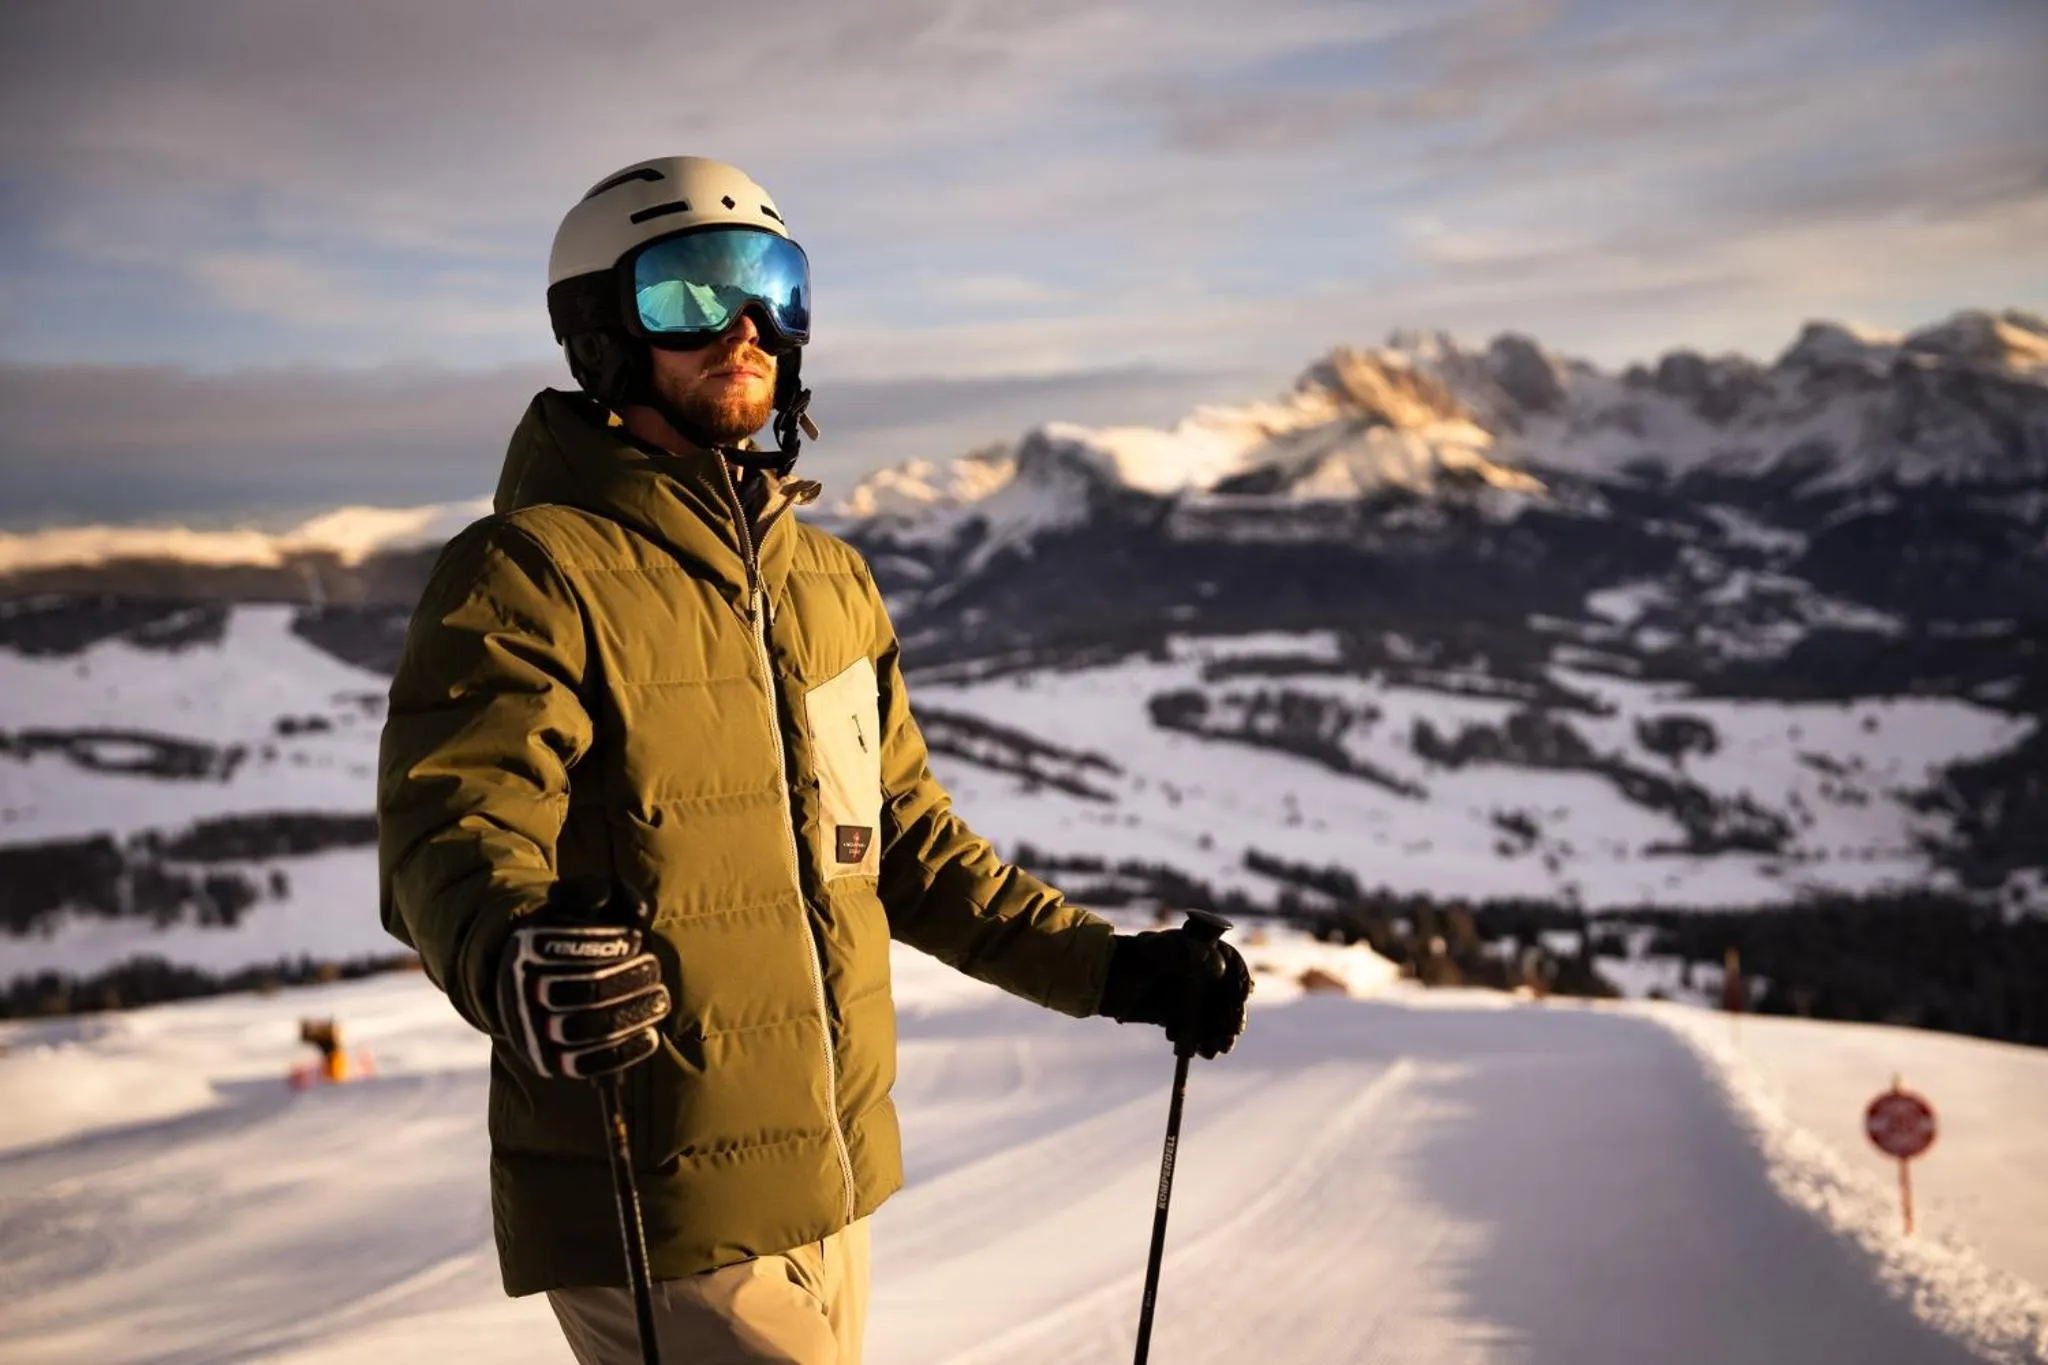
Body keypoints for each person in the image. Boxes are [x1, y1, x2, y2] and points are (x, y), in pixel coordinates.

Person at [376, 155, 1252, 1365]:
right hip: (656, 1193)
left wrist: (1116, 970)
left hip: (827, 1188)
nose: (745, 328)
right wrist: (510, 951)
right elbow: (449, 834)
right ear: (600, 331)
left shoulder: (827, 584)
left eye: (774, 290)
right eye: (689, 291)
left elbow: (906, 850)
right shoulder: (531, 569)